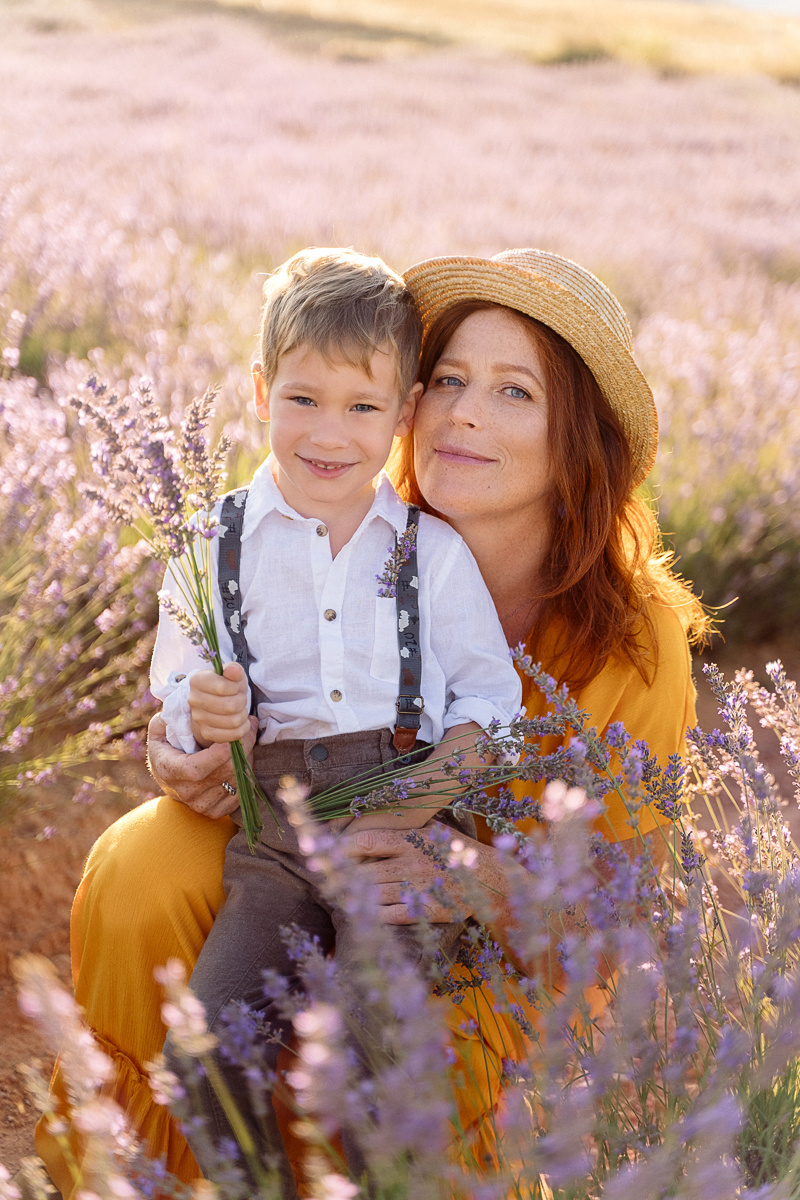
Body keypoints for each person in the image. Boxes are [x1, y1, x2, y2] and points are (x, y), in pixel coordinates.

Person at [37, 249, 707, 1198]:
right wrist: (189, 748)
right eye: (448, 380)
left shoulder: (634, 640)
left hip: (500, 950)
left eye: (514, 392)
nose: (465, 412)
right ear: (410, 404)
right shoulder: (335, 530)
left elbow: (622, 890)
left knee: (390, 1049)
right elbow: (222, 685)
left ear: (577, 440)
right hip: (303, 862)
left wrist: (467, 878)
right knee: (145, 866)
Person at [148, 246, 522, 1192]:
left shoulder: (430, 554)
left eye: (363, 408)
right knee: (205, 1055)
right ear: (262, 389)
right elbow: (176, 704)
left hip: (398, 839)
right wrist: (207, 718)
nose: (330, 432)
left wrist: (414, 808)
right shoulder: (212, 543)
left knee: (372, 1059)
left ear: (402, 417)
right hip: (273, 845)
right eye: (304, 399)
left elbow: (490, 703)